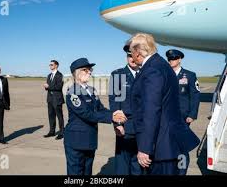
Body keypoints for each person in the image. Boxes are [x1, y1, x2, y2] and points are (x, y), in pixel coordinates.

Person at [129, 33, 200, 175]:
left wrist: (144, 148)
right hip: (169, 140)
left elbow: (151, 110)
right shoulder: (162, 65)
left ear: (137, 52)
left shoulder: (152, 70)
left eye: (131, 52)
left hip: (162, 144)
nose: (131, 56)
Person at [64, 58, 127, 175]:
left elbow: (100, 109)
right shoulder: (72, 92)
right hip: (76, 140)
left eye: (90, 69)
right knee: (76, 173)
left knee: (87, 171)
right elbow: (86, 114)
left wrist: (114, 115)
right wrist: (111, 118)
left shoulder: (91, 90)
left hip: (89, 140)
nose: (89, 72)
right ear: (76, 73)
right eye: (85, 70)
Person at [166, 49, 200, 175]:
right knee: (168, 145)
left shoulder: (189, 75)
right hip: (167, 117)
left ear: (179, 59)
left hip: (182, 117)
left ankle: (181, 171)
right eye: (169, 59)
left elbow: (195, 96)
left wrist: (192, 115)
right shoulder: (165, 74)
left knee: (182, 147)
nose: (171, 61)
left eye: (174, 58)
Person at [109, 42, 142, 175]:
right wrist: (117, 124)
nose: (132, 59)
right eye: (129, 56)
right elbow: (115, 102)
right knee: (122, 164)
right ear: (127, 57)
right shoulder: (119, 75)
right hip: (126, 125)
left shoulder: (146, 74)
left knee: (138, 164)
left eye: (135, 56)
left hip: (143, 126)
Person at [43, 60, 65, 140]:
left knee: (59, 116)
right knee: (51, 116)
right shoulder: (49, 75)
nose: (50, 66)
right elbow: (49, 87)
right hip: (50, 99)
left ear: (56, 66)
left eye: (51, 64)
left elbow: (59, 87)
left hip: (57, 99)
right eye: (50, 65)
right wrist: (46, 87)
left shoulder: (59, 75)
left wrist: (48, 87)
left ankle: (61, 132)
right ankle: (52, 132)